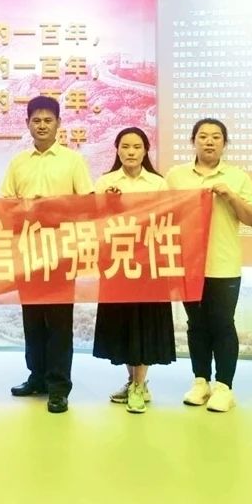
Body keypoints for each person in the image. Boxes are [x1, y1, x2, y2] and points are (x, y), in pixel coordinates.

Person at [0, 96, 93, 414]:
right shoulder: (18, 162)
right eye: (36, 120)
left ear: (58, 124)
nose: (42, 125)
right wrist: (26, 207)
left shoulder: (73, 161)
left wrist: (51, 207)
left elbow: (87, 203)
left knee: (59, 322)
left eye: (48, 120)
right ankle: (37, 377)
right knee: (32, 320)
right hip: (27, 250)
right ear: (27, 124)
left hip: (61, 251)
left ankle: (58, 386)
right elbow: (6, 203)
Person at [165, 118, 252, 413]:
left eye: (216, 137)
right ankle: (200, 381)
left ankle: (224, 387)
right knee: (196, 325)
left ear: (224, 143)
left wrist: (230, 196)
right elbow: (159, 212)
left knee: (222, 324)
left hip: (223, 264)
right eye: (203, 136)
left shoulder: (237, 176)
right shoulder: (176, 176)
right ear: (193, 141)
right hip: (188, 264)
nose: (209, 141)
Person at [92, 127, 176, 414]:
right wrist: (108, 204)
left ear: (145, 150)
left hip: (149, 264)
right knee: (125, 325)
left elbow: (168, 219)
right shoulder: (105, 182)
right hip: (117, 263)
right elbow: (95, 221)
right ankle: (132, 382)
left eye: (136, 147)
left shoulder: (157, 183)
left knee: (144, 323)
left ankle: (140, 385)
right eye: (125, 146)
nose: (130, 152)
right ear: (117, 149)